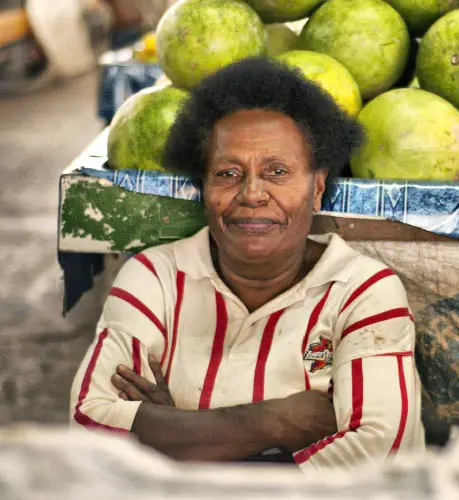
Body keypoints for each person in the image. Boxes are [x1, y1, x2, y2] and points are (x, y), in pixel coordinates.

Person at [69, 58, 426, 470]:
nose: (252, 193)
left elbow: (378, 453)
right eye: (227, 172)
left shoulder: (363, 292)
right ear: (203, 188)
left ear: (317, 188)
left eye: (277, 171)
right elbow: (89, 421)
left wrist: (182, 434)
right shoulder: (155, 278)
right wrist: (277, 421)